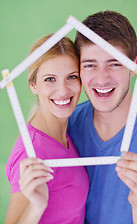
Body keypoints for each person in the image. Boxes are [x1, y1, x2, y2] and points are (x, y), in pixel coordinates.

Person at [67, 10, 137, 224]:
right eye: (90, 64)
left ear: (133, 67)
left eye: (115, 63)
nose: (102, 78)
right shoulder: (68, 125)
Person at [5, 34, 89, 224]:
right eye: (50, 79)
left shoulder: (67, 133)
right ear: (33, 85)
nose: (63, 90)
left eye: (72, 77)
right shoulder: (31, 153)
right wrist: (36, 206)